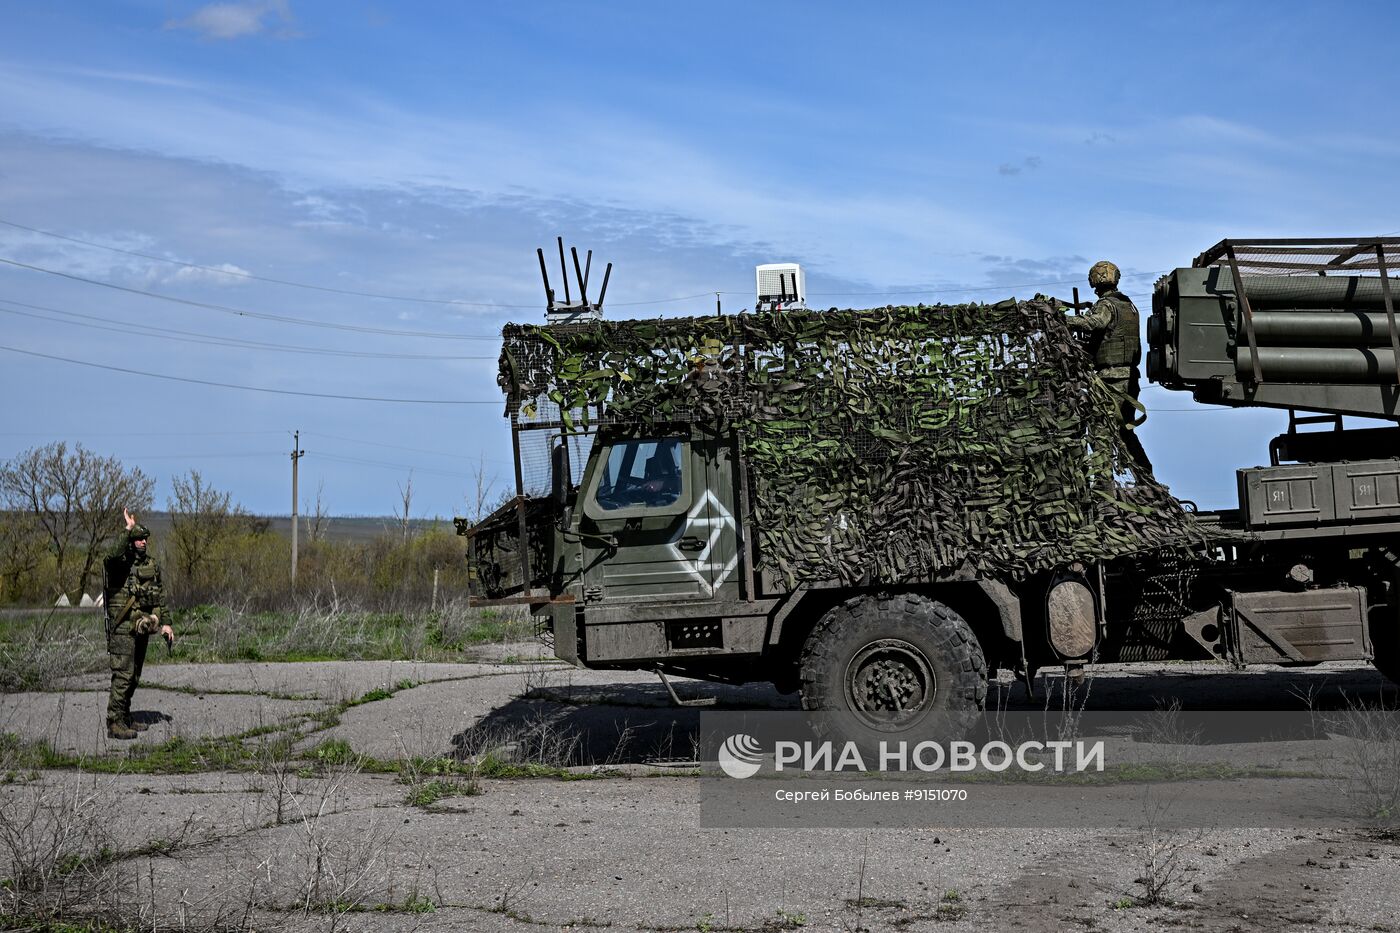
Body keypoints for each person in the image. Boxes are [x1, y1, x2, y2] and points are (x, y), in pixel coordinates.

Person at [1065, 260, 1153, 474]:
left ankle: (1105, 490)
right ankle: (1147, 480)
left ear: (1094, 281)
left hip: (1111, 380)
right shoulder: (1128, 305)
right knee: (1125, 432)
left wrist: (1064, 319)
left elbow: (1095, 323)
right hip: (1130, 378)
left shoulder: (1106, 305)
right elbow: (1111, 335)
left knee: (1100, 432)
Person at [101, 508, 174, 740]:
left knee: (134, 676)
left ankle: (125, 716)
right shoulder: (120, 564)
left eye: (144, 538)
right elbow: (110, 556)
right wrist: (128, 530)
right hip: (123, 627)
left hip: (142, 626)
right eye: (137, 539)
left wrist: (166, 624)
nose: (142, 542)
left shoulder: (151, 565)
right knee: (123, 675)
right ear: (131, 542)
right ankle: (114, 722)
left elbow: (159, 597)